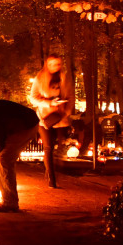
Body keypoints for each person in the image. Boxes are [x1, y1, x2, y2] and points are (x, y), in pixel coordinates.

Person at [0, 98, 40, 212]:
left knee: (4, 159)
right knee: (3, 158)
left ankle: (10, 203)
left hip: (25, 125)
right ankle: (7, 197)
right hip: (26, 122)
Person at [29, 55, 75, 189]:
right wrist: (49, 103)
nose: (56, 67)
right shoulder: (40, 78)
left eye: (58, 64)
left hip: (60, 117)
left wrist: (66, 110)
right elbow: (33, 98)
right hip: (45, 119)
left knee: (59, 147)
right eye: (53, 64)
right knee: (48, 147)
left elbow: (71, 96)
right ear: (47, 65)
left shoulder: (64, 78)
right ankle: (51, 178)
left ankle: (54, 170)